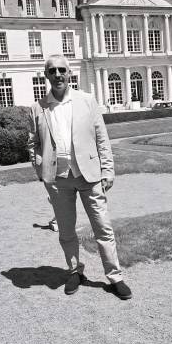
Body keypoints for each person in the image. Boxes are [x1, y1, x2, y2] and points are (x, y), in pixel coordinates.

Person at [28, 55, 132, 300]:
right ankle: (75, 271)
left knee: (103, 228)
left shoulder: (87, 100)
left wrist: (107, 170)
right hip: (58, 179)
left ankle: (115, 276)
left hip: (89, 175)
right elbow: (33, 144)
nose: (57, 74)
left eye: (61, 70)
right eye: (52, 71)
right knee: (66, 231)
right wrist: (41, 170)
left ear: (69, 73)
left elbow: (102, 138)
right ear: (46, 75)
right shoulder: (38, 107)